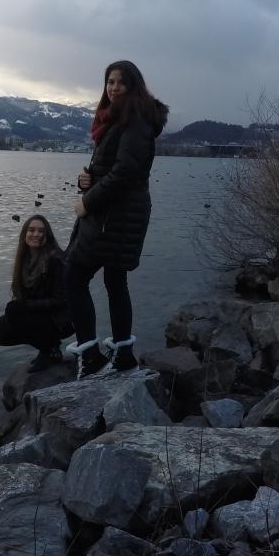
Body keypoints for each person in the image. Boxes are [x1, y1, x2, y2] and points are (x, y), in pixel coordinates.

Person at [65, 60, 169, 378]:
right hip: (120, 213)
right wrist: (90, 176)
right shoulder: (121, 119)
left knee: (73, 275)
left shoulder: (135, 120)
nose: (113, 87)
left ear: (134, 86)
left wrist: (87, 202)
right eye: (109, 81)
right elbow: (115, 167)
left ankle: (91, 356)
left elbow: (126, 172)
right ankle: (122, 353)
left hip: (115, 215)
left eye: (121, 82)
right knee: (114, 280)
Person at [0, 215, 73, 373]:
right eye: (31, 230)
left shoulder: (55, 259)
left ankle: (48, 350)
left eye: (41, 231)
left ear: (47, 235)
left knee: (14, 310)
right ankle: (49, 346)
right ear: (24, 234)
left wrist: (26, 306)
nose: (36, 234)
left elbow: (61, 300)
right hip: (41, 315)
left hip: (61, 320)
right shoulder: (25, 259)